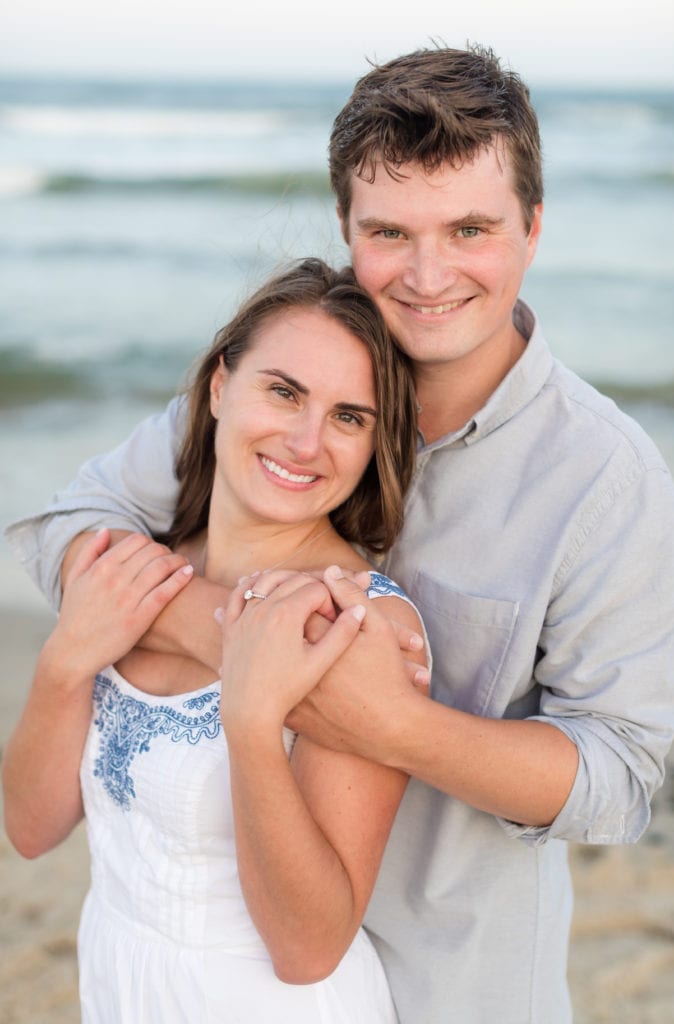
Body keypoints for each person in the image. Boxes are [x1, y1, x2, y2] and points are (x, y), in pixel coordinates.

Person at [6, 44, 674, 1023]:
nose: (426, 272)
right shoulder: (298, 391)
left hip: (448, 978)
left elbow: (617, 778)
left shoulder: (604, 479)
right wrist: (258, 645)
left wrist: (393, 723)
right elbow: (72, 527)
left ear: (532, 228)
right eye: (388, 232)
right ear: (345, 229)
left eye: (469, 228)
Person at [3, 259, 429, 1023]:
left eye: (347, 417)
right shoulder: (136, 571)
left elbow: (308, 949)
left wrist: (252, 722)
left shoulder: (356, 623)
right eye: (283, 391)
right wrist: (67, 660)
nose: (305, 442)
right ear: (218, 387)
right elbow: (31, 830)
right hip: (119, 977)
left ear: (373, 444)